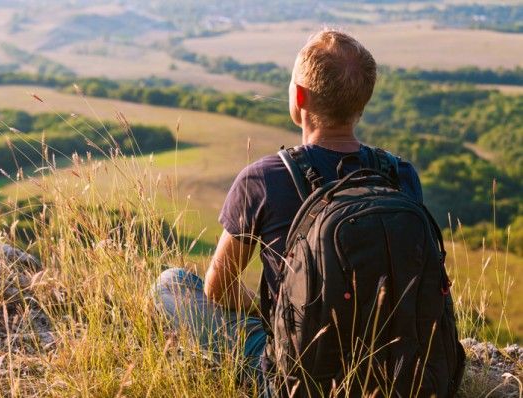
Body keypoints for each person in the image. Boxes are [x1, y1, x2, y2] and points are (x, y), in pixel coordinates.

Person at [153, 29, 423, 394]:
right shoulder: (399, 174)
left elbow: (218, 289)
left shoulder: (263, 178)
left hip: (298, 377)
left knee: (171, 284)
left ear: (299, 97)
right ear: (363, 102)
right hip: (397, 372)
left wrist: (277, 314)